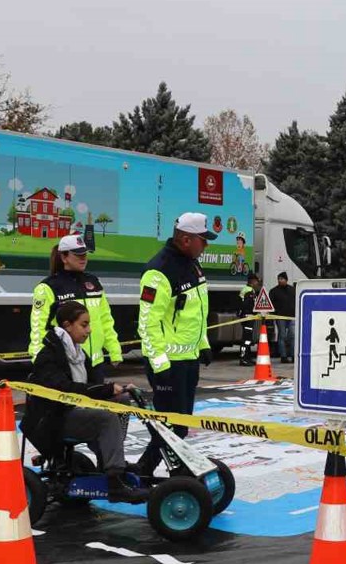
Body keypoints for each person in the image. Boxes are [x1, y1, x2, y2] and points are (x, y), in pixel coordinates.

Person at [20, 302, 146, 504]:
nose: (89, 330)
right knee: (106, 418)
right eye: (84, 325)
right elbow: (64, 390)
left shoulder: (78, 353)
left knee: (121, 400)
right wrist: (105, 389)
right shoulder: (48, 356)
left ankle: (110, 461)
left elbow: (94, 386)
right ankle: (115, 483)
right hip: (52, 420)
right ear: (68, 325)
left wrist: (116, 389)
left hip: (73, 411)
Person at [136, 212, 215, 475]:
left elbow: (195, 313)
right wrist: (160, 363)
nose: (206, 246)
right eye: (203, 240)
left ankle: (167, 470)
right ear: (185, 239)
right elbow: (148, 322)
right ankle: (151, 470)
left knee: (181, 422)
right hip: (168, 364)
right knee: (171, 425)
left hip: (188, 359)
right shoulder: (159, 270)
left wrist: (202, 344)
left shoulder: (192, 265)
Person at [29, 235, 123, 382]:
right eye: (78, 254)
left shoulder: (93, 282)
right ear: (64, 257)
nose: (83, 258)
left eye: (85, 254)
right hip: (66, 365)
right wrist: (39, 361)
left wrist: (114, 350)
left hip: (95, 364)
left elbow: (105, 319)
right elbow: (38, 328)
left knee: (96, 404)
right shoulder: (48, 287)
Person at [269, 272, 296, 364]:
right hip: (280, 317)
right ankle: (283, 356)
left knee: (292, 336)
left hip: (292, 316)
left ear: (286, 279)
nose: (280, 280)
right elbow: (271, 305)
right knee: (282, 336)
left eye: (282, 279)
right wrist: (274, 314)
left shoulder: (293, 290)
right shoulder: (274, 291)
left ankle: (293, 356)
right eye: (279, 279)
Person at [237, 273, 262, 366]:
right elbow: (247, 305)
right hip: (248, 317)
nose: (257, 283)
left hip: (247, 317)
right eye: (256, 281)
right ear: (253, 281)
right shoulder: (249, 291)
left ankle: (247, 358)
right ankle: (243, 358)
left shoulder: (247, 290)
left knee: (248, 339)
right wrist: (252, 313)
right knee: (246, 339)